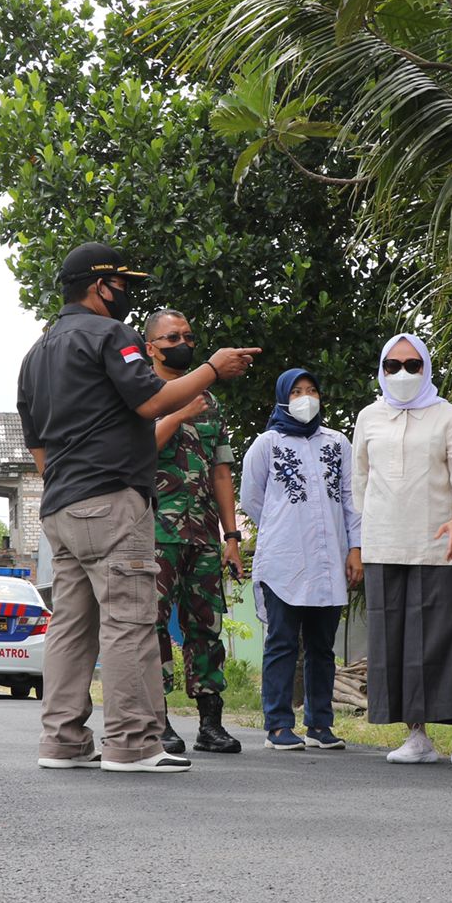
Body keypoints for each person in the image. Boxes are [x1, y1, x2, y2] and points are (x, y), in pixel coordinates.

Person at [16, 242, 258, 773]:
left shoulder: (37, 353)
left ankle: (63, 740)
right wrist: (214, 369)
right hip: (112, 502)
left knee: (72, 628)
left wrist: (66, 480)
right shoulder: (110, 335)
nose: (128, 293)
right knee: (129, 622)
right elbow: (150, 400)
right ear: (100, 286)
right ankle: (132, 742)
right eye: (122, 283)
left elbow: (37, 443)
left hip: (60, 507)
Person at [352, 333, 452, 768]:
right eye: (393, 366)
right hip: (384, 542)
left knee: (447, 635)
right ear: (382, 371)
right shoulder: (369, 416)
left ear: (427, 369)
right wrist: (360, 540)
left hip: (437, 540)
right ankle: (415, 735)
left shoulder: (447, 415)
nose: (402, 373)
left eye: (413, 365)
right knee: (394, 638)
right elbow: (359, 482)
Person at [242, 367, 362, 750]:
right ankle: (277, 725)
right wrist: (284, 528)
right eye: (296, 392)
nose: (305, 398)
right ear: (282, 398)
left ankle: (319, 725)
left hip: (330, 561)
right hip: (284, 561)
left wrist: (355, 548)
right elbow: (252, 500)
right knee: (281, 643)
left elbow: (350, 499)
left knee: (322, 647)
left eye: (312, 390)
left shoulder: (337, 442)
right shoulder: (267, 444)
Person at [144, 308, 243, 755]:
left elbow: (221, 472)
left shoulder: (212, 401)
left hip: (203, 533)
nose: (181, 342)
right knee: (152, 625)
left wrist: (232, 537)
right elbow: (141, 449)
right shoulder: (141, 393)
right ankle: (157, 720)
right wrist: (179, 410)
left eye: (187, 335)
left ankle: (211, 722)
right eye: (171, 337)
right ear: (151, 347)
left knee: (206, 625)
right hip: (153, 531)